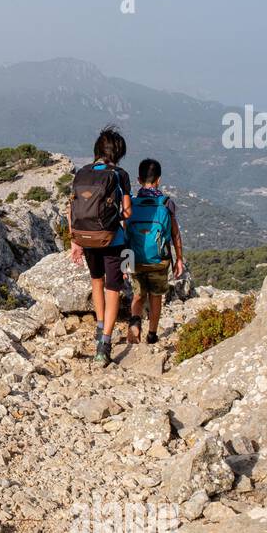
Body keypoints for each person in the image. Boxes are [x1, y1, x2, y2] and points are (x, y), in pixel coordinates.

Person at [69, 125, 132, 365]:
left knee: (96, 281)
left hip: (85, 237)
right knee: (112, 288)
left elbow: (72, 208)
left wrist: (75, 241)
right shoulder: (119, 175)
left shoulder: (82, 173)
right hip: (112, 239)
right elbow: (127, 211)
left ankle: (98, 326)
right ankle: (104, 343)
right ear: (117, 153)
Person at [125, 158, 185, 344]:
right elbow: (175, 234)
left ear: (138, 179)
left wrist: (123, 264)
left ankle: (135, 326)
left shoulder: (131, 204)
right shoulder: (166, 204)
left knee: (138, 294)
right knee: (156, 296)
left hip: (135, 259)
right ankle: (152, 334)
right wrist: (179, 260)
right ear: (159, 179)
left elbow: (124, 234)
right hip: (159, 261)